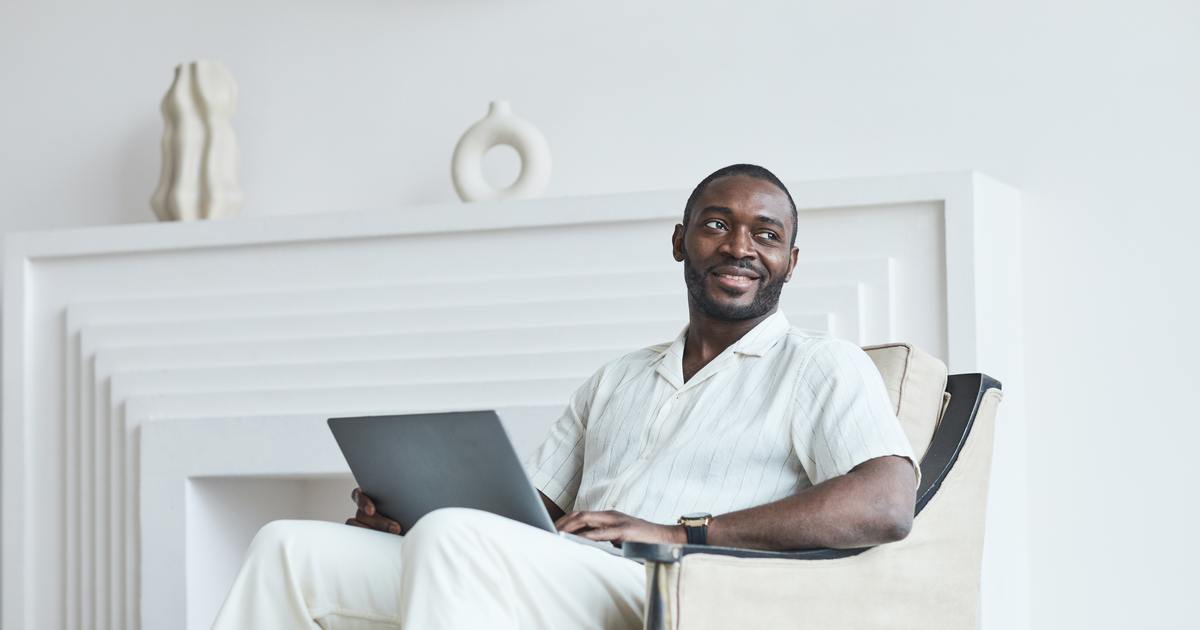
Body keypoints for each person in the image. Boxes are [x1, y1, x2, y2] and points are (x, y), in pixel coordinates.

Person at [210, 164, 919, 630]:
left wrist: (682, 532)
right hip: (566, 571)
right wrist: (409, 516)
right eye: (716, 224)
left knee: (453, 539)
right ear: (679, 242)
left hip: (675, 590)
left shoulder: (823, 365)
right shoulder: (615, 379)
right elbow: (529, 517)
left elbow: (887, 505)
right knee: (290, 547)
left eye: (766, 234)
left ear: (791, 262)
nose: (740, 245)